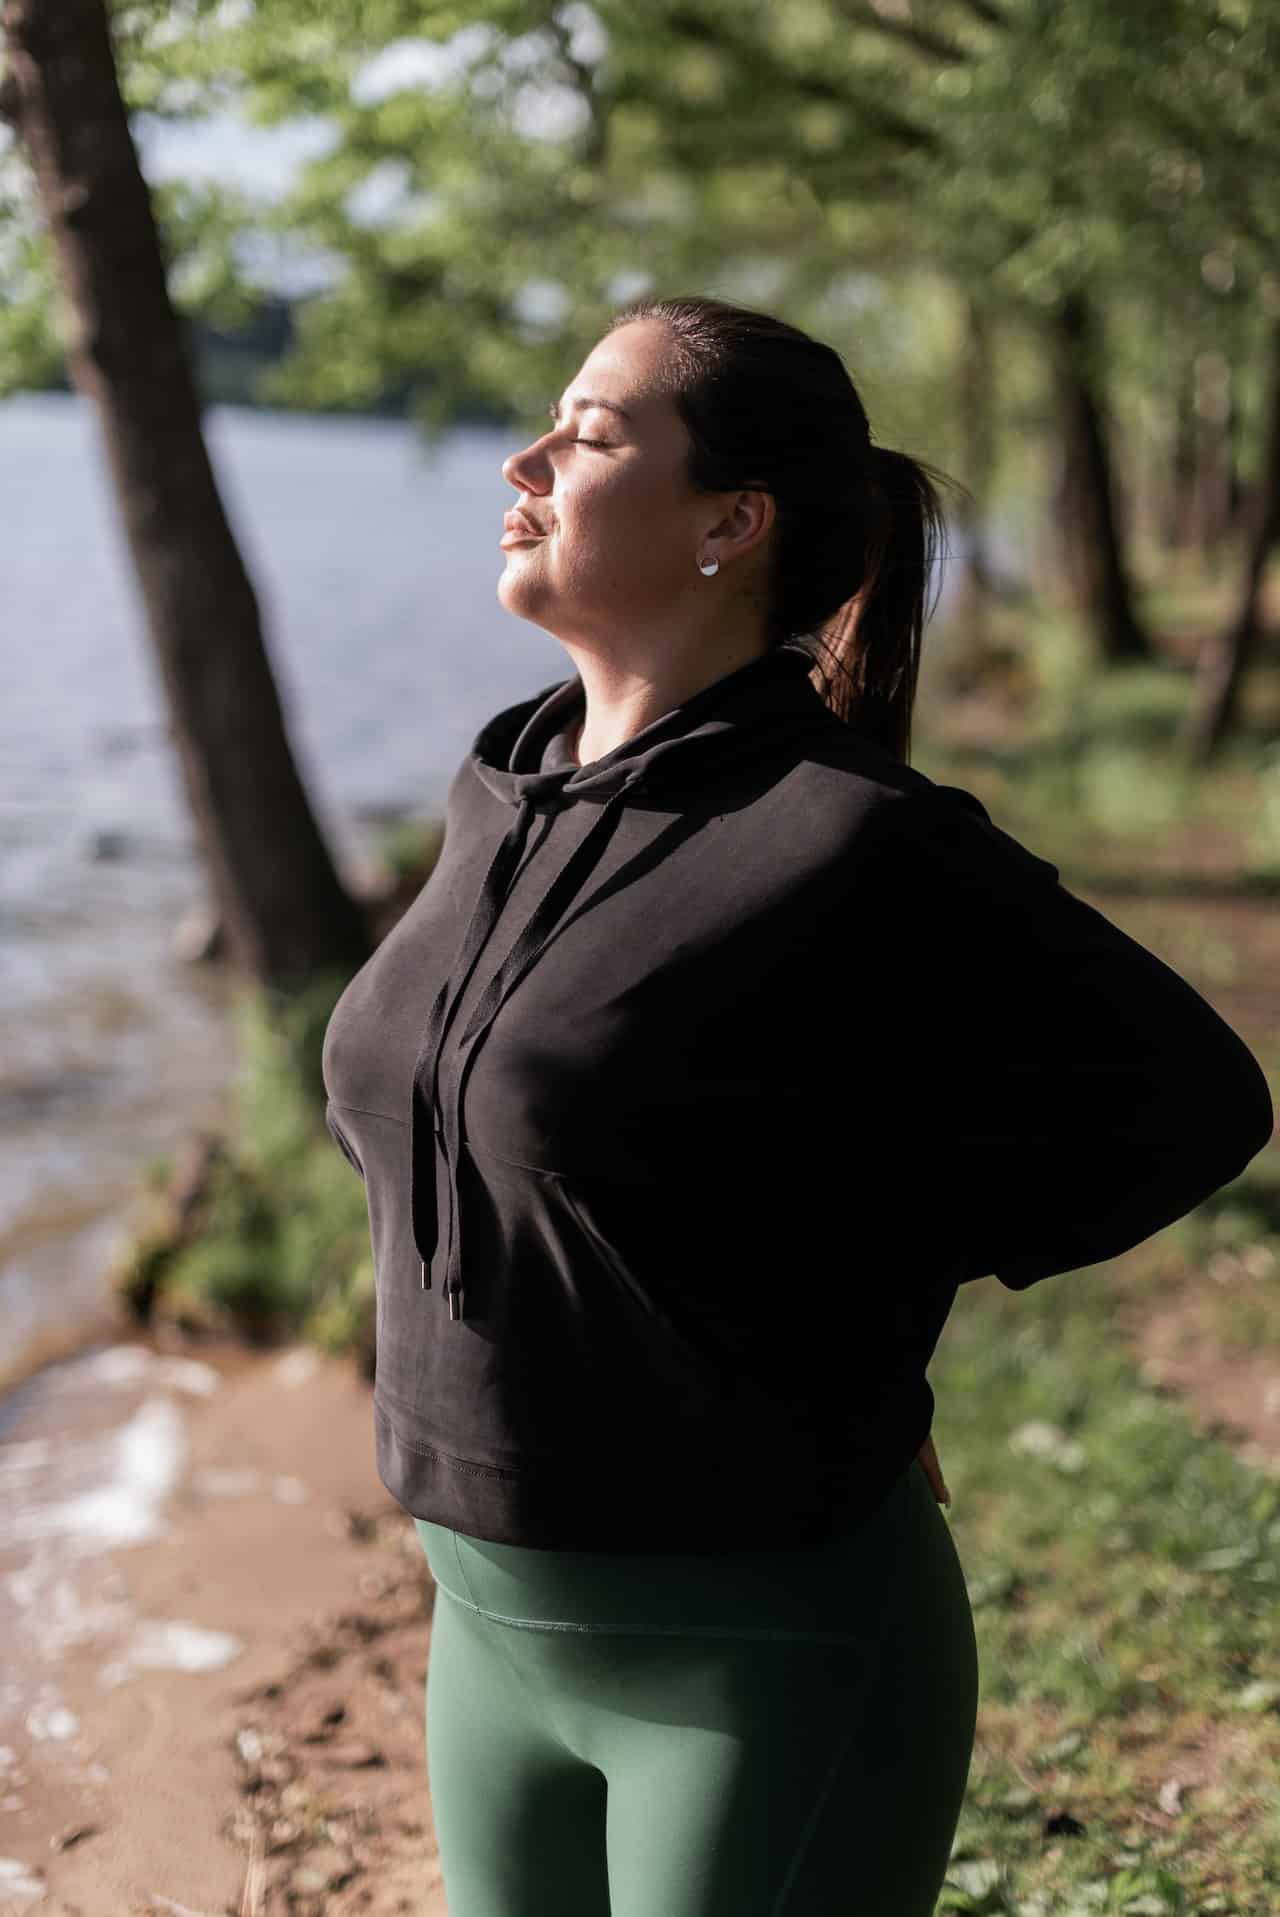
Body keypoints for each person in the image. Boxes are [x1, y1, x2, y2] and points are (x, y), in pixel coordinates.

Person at [320, 295, 1273, 1916]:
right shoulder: (507, 789)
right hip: (482, 1622)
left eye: (594, 431)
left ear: (731, 521)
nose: (527, 457)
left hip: (759, 1652)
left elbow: (1191, 1098)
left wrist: (849, 1325)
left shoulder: (848, 833)